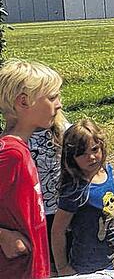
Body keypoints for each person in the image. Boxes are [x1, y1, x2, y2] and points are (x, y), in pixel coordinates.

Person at [0, 59, 62, 279]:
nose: (59, 104)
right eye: (52, 97)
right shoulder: (10, 154)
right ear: (24, 102)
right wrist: (3, 236)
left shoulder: (20, 150)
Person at [51, 119, 114, 275]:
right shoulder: (75, 190)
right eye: (82, 154)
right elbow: (57, 231)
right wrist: (62, 268)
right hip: (87, 267)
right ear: (71, 158)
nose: (91, 157)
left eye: (94, 149)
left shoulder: (107, 171)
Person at [28, 110, 70, 275]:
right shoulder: (15, 140)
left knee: (70, 262)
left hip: (66, 211)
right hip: (37, 217)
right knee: (47, 268)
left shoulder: (64, 130)